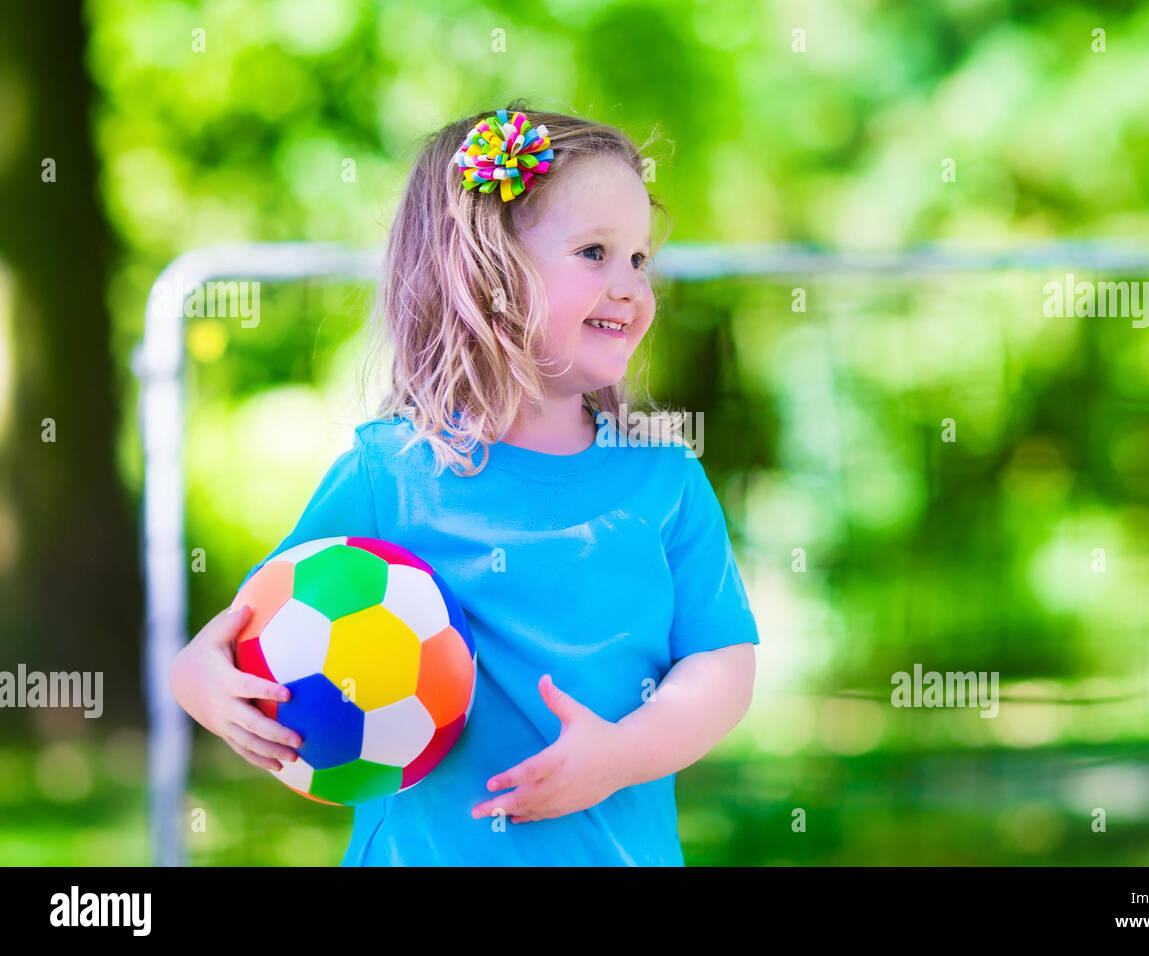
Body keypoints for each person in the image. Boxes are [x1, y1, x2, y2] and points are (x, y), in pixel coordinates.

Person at [169, 100, 760, 865]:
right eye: (594, 252)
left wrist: (621, 755)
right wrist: (198, 681)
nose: (630, 286)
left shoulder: (665, 479)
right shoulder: (389, 475)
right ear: (487, 271)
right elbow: (252, 632)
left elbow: (724, 662)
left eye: (640, 259)